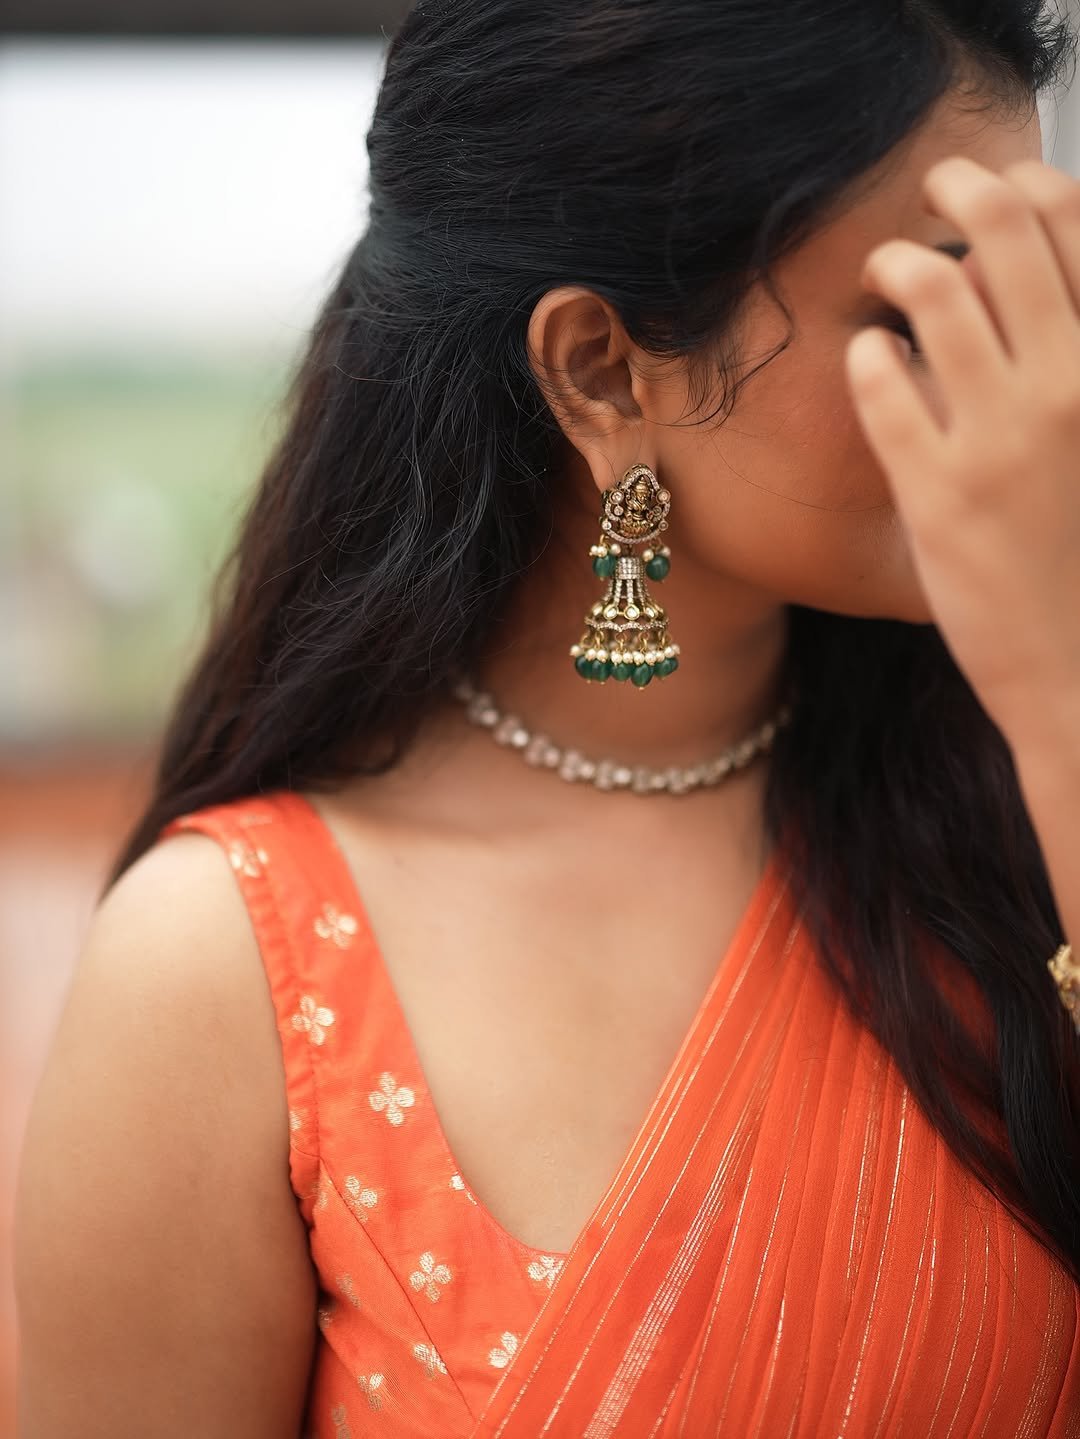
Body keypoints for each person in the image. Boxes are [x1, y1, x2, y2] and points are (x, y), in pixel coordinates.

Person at [13, 1, 1080, 1434]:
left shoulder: (1024, 784)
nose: (1040, 395)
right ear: (600, 369)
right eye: (931, 313)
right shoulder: (225, 975)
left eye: (1047, 296)